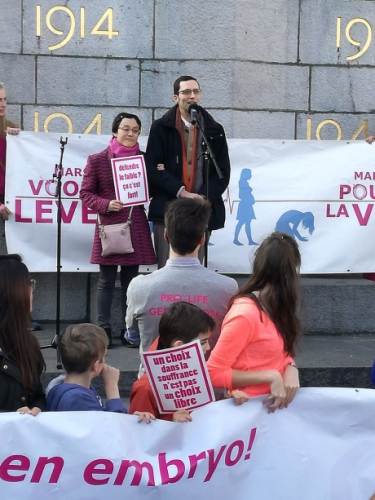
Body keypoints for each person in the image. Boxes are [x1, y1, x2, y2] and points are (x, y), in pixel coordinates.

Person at [125, 197, 238, 372]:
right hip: (210, 389)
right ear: (202, 239)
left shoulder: (139, 286)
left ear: (165, 236)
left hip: (154, 387)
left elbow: (132, 335)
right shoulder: (228, 288)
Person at [80, 113, 157, 348]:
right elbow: (85, 193)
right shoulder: (97, 160)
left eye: (135, 130)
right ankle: (103, 330)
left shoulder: (145, 159)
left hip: (135, 224)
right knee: (105, 280)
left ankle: (129, 329)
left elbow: (152, 189)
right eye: (125, 129)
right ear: (115, 131)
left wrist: (156, 175)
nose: (130, 133)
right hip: (110, 226)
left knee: (131, 282)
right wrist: (106, 204)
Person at [207, 232, 301, 413]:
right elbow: (213, 373)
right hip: (249, 415)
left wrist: (291, 367)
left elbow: (279, 353)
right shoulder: (245, 314)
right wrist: (270, 376)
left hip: (272, 414)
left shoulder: (276, 306)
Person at [145, 75, 231, 268]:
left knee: (194, 270)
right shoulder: (161, 127)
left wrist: (202, 197)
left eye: (196, 91)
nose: (192, 96)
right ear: (176, 97)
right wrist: (181, 191)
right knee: (166, 270)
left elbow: (222, 172)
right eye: (186, 92)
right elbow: (153, 168)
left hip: (199, 210)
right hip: (168, 207)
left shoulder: (214, 130)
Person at [129, 302, 248, 422]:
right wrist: (172, 425)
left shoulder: (196, 369)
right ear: (179, 346)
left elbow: (207, 415)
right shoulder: (145, 388)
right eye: (202, 342)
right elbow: (138, 435)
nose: (208, 347)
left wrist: (228, 403)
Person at [47, 323, 154, 423]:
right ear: (96, 365)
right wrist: (112, 388)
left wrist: (131, 420)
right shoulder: (78, 398)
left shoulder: (66, 389)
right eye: (104, 356)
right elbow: (112, 430)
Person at [0, 254, 46, 414]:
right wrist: (11, 416)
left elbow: (36, 394)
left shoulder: (27, 343)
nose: (32, 291)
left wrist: (38, 408)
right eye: (29, 285)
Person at [0, 82, 20, 221]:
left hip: (9, 199)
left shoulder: (12, 128)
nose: (4, 104)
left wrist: (20, 140)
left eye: (5, 99)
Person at [233, 168, 257, 246]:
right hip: (244, 206)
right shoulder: (242, 183)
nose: (251, 175)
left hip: (247, 205)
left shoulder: (244, 183)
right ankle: (236, 239)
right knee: (241, 222)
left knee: (247, 223)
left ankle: (250, 240)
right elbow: (244, 194)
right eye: (249, 173)